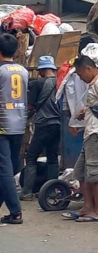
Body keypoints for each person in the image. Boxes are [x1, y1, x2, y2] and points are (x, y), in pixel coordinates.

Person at [64, 55, 98, 222]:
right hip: (90, 134)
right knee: (82, 173)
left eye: (80, 74)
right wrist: (85, 112)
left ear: (89, 68)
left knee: (97, 174)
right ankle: (87, 208)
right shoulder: (94, 84)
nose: (81, 78)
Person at [20, 55, 61, 200]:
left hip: (43, 124)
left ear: (41, 70)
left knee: (31, 157)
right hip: (58, 124)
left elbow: (31, 105)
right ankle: (52, 191)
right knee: (52, 158)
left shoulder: (38, 84)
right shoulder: (60, 82)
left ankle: (27, 192)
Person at [0, 33, 28, 224]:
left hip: (2, 126)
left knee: (4, 171)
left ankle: (16, 211)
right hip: (19, 124)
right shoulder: (23, 71)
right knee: (6, 170)